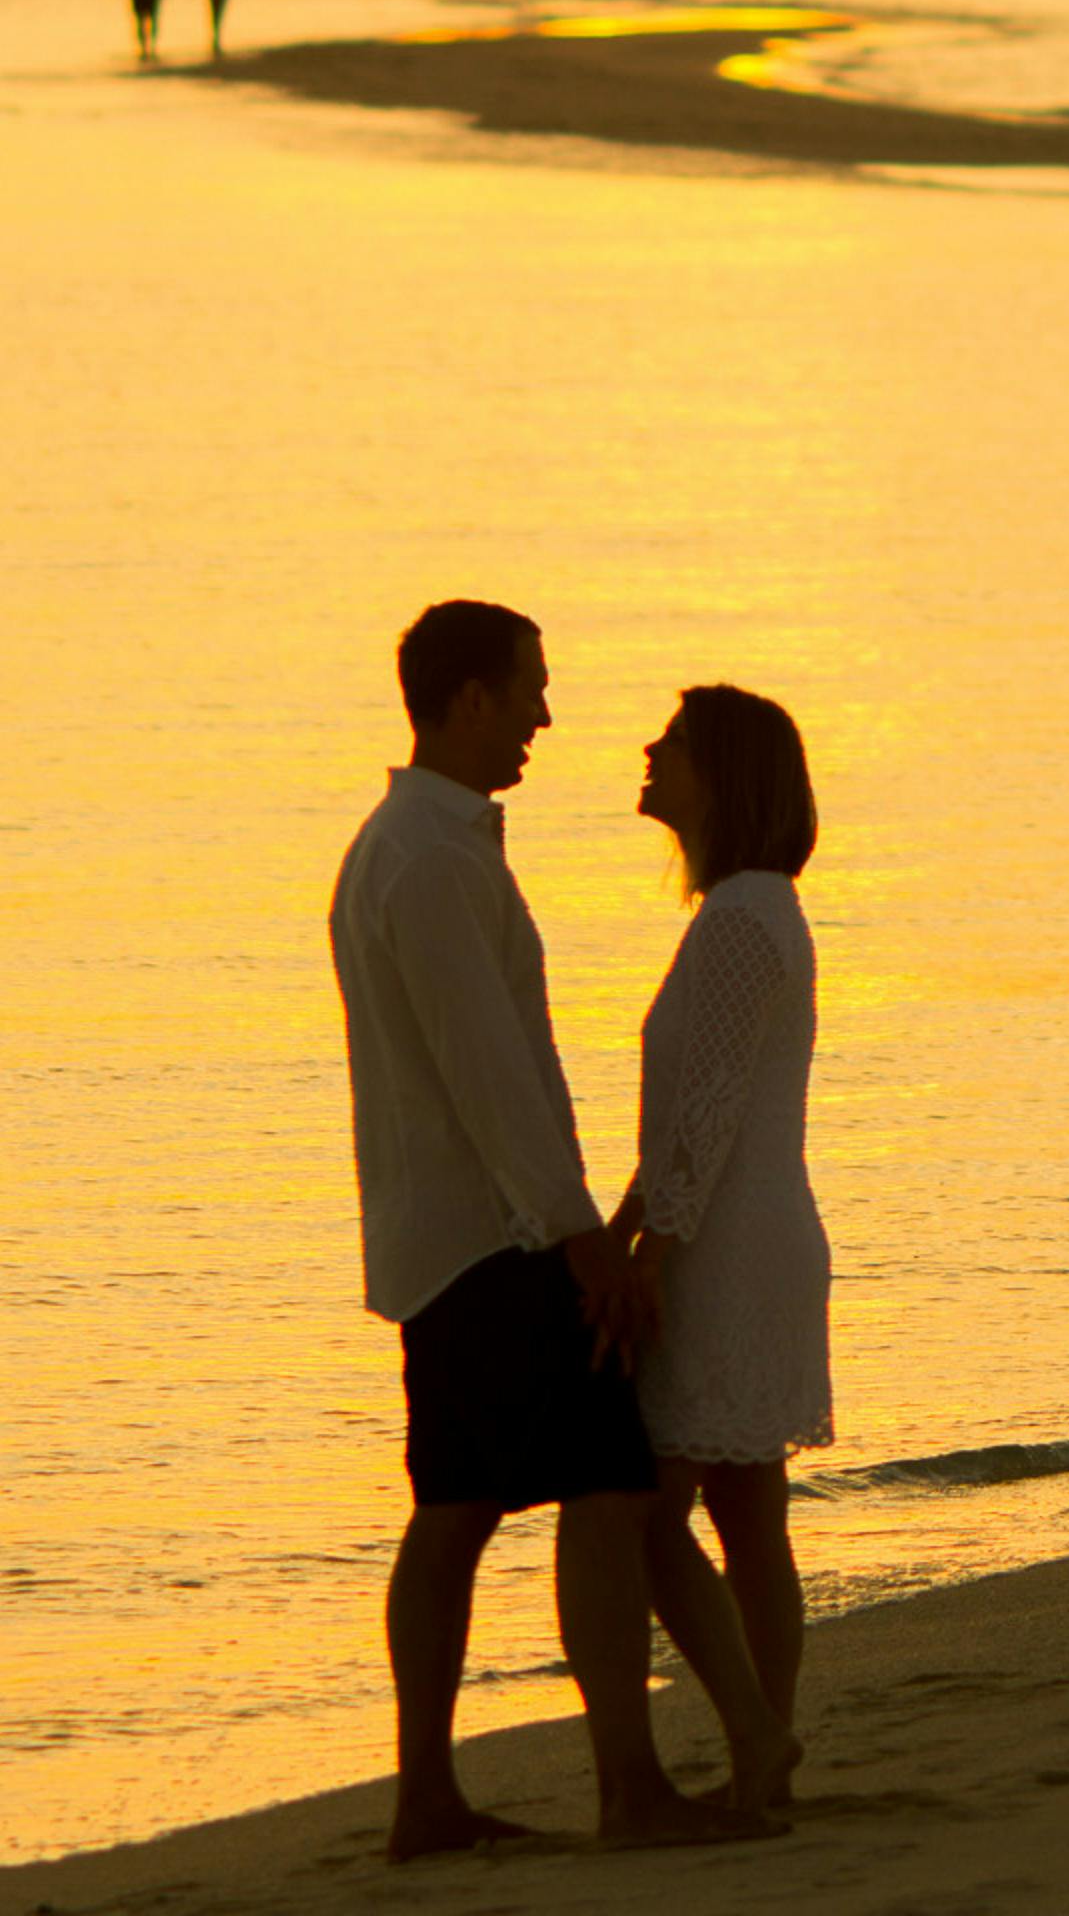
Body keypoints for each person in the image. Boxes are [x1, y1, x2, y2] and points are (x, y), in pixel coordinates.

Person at [326, 601, 780, 1857]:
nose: (544, 714)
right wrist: (585, 1242)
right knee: (603, 1484)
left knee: (459, 1505)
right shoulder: (427, 859)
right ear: (466, 697)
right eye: (529, 688)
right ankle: (623, 1786)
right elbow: (489, 1076)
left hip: (446, 1234)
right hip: (495, 1240)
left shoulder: (416, 845)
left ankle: (429, 1798)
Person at [617, 684, 834, 1816]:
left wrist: (650, 1252)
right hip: (749, 1233)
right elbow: (702, 1115)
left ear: (724, 775)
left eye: (676, 744)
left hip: (726, 1251)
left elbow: (701, 1113)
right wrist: (622, 1226)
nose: (649, 753)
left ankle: (758, 1739)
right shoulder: (754, 911)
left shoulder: (746, 917)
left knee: (652, 1524)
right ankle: (766, 1754)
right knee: (749, 1522)